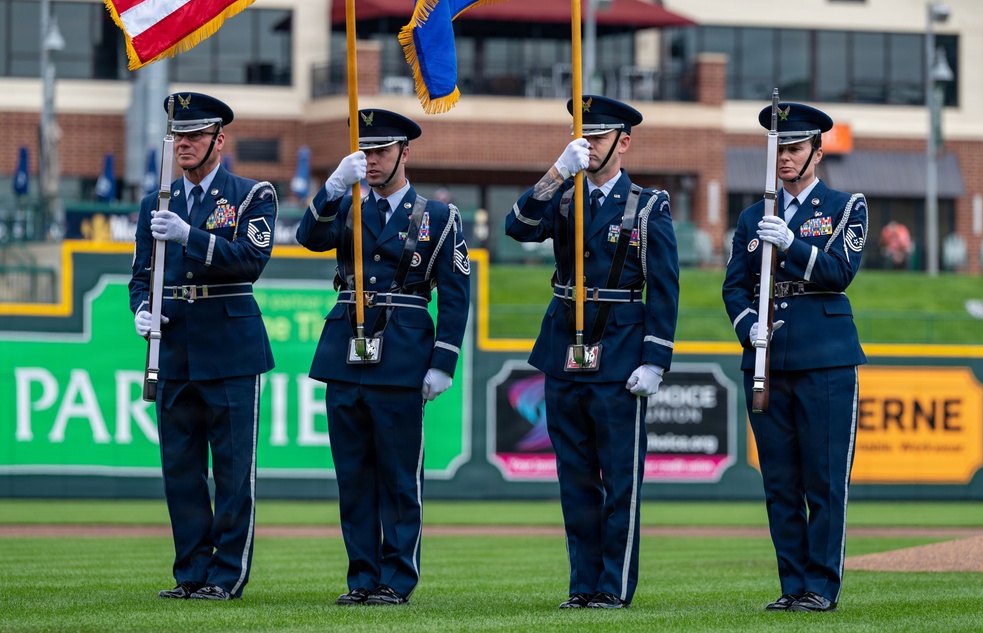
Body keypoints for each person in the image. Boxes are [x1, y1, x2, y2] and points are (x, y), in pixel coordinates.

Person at [505, 96, 679, 609]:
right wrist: (557, 171)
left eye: (598, 137)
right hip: (564, 351)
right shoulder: (562, 196)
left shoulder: (648, 206)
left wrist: (655, 359)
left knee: (620, 480)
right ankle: (582, 585)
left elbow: (664, 287)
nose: (589, 145)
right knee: (575, 479)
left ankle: (614, 586)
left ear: (623, 142)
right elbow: (517, 227)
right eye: (583, 136)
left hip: (621, 353)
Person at [296, 109, 471, 606]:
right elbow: (307, 238)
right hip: (344, 353)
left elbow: (456, 294)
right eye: (365, 151)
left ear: (404, 153)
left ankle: (396, 579)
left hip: (402, 353)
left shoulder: (439, 216)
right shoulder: (346, 203)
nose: (370, 160)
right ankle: (361, 578)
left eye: (380, 151)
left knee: (398, 478)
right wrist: (329, 189)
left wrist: (443, 362)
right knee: (353, 477)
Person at [129, 92, 277, 600]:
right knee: (181, 470)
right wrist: (140, 311)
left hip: (231, 347)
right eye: (178, 136)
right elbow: (141, 276)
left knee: (234, 472)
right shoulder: (156, 201)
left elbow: (250, 261)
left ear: (219, 139)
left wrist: (191, 235)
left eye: (194, 135)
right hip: (173, 348)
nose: (184, 145)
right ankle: (191, 572)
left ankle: (226, 575)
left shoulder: (253, 194)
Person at [722, 102, 868, 613]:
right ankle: (792, 585)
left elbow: (839, 273)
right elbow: (734, 287)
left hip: (825, 358)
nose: (784, 158)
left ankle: (821, 588)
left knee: (824, 480)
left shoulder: (847, 206)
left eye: (794, 148)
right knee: (780, 482)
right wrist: (748, 329)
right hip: (767, 358)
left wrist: (792, 246)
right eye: (778, 149)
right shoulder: (750, 216)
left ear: (816, 152)